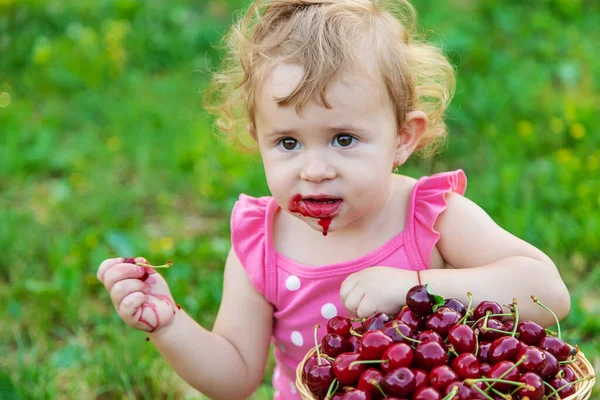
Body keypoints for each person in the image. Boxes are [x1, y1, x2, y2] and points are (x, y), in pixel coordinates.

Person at [97, 1, 571, 399]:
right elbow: (236, 375)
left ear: (403, 139)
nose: (316, 169)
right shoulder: (261, 243)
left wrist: (416, 285)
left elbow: (547, 292)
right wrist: (169, 325)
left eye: (343, 139)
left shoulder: (429, 215)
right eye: (287, 143)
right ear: (256, 138)